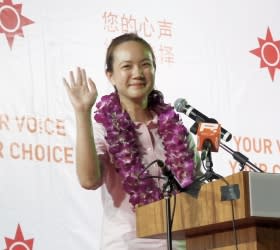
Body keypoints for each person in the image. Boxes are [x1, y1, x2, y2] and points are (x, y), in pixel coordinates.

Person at [63, 33, 201, 250]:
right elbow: (89, 180)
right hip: (127, 244)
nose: (137, 73)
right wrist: (82, 112)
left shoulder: (177, 130)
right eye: (127, 66)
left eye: (145, 65)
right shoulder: (102, 129)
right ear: (110, 75)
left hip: (181, 244)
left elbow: (197, 190)